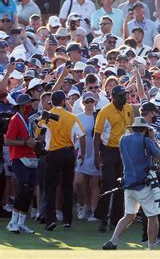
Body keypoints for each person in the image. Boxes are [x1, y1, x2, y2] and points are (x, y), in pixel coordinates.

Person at [102, 117, 160, 250]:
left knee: (129, 215)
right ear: (145, 129)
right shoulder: (146, 140)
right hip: (144, 184)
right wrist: (153, 139)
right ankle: (151, 249)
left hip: (128, 184)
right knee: (152, 217)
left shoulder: (123, 140)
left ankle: (113, 241)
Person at [40, 90, 86, 231]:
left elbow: (39, 133)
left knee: (50, 188)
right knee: (67, 187)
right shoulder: (71, 117)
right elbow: (82, 136)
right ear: (63, 101)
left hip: (53, 154)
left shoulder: (46, 116)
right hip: (68, 153)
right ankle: (67, 220)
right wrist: (82, 154)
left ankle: (50, 219)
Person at [93, 85, 134, 232]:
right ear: (114, 97)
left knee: (121, 185)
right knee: (108, 183)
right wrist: (97, 155)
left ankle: (116, 220)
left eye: (125, 95)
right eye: (122, 96)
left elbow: (132, 129)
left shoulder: (128, 109)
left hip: (125, 151)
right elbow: (97, 135)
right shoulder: (105, 112)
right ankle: (102, 218)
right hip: (109, 150)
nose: (125, 98)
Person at [5, 94, 37, 233]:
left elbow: (28, 139)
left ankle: (21, 222)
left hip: (30, 158)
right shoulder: (15, 119)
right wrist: (25, 142)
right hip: (18, 158)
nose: (30, 106)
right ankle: (13, 222)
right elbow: (8, 141)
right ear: (23, 106)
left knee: (29, 189)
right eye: (28, 104)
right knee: (23, 186)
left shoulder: (26, 119)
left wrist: (35, 140)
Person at [73, 92, 101, 222]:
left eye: (92, 101)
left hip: (95, 151)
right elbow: (73, 136)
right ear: (83, 103)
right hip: (81, 152)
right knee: (79, 181)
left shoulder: (99, 117)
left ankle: (94, 210)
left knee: (94, 182)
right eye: (87, 102)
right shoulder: (77, 117)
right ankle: (83, 204)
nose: (90, 104)